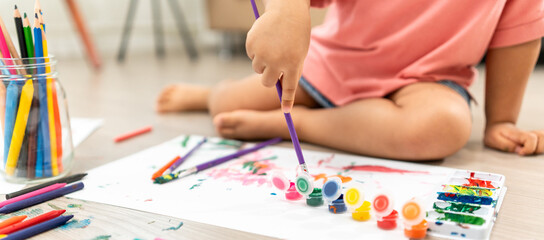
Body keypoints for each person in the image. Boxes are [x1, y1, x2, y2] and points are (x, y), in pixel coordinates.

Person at [157, 0, 544, 160]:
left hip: (427, 79)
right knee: (227, 104)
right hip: (331, 63)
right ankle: (208, 94)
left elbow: (519, 31)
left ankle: (297, 123)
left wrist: (501, 120)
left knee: (445, 127)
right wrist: (287, 9)